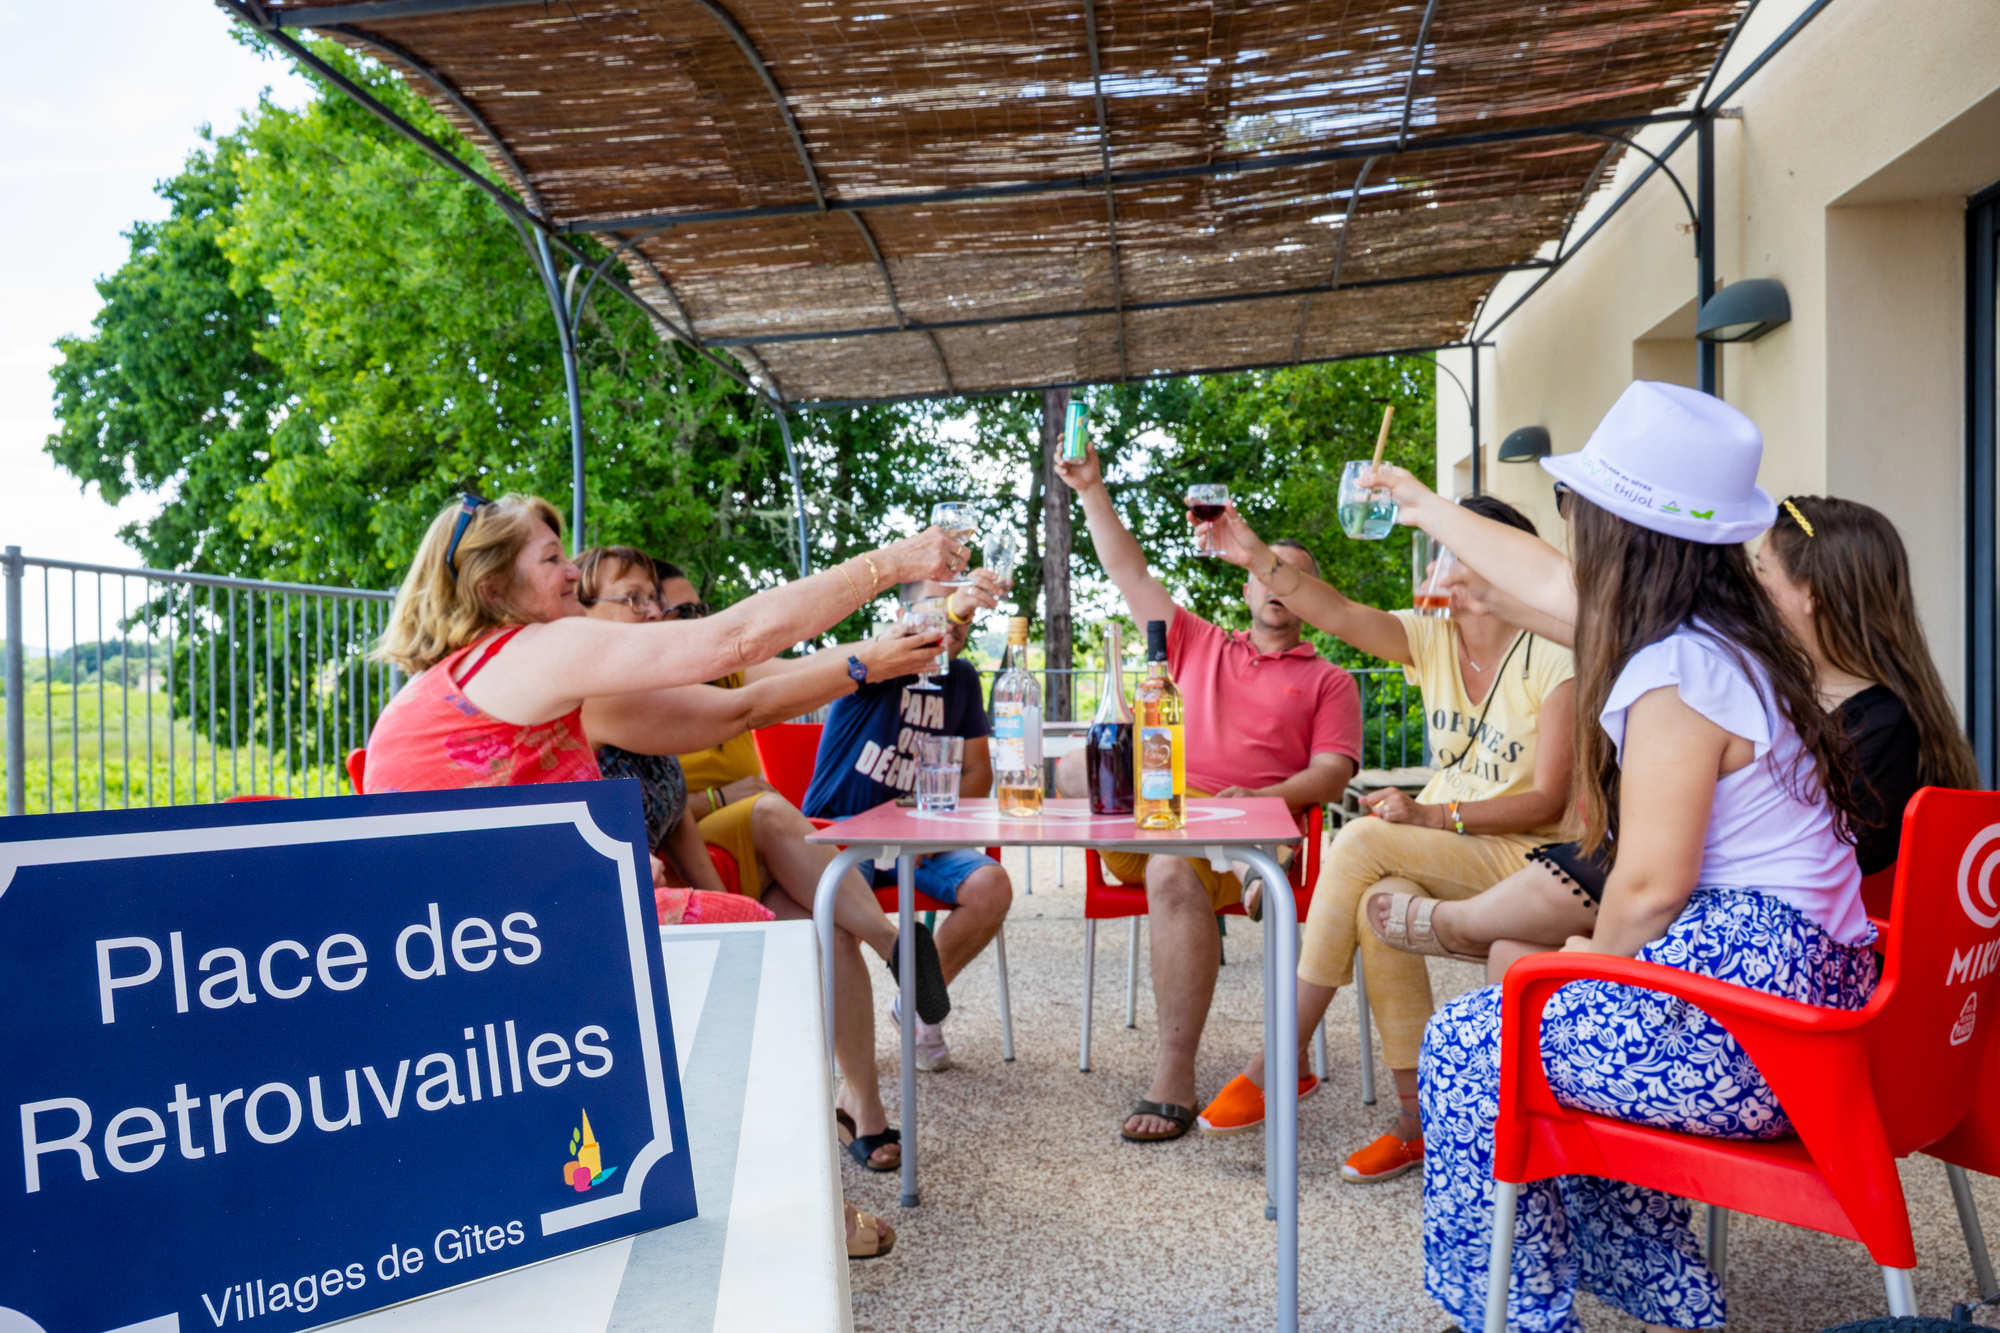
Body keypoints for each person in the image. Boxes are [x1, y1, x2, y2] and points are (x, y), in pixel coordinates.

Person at [1371, 381, 1878, 1333]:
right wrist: (1423, 503)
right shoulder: (1732, 643)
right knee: (1560, 1030)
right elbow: (1546, 582)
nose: (1572, 531)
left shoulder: (1679, 670)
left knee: (1474, 1043)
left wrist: (1589, 967)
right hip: (1805, 1004)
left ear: (1622, 532)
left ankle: (1513, 1316)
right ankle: (1661, 1290)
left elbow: (1648, 886)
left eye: (1580, 508)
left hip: (1757, 1033)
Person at [365, 492, 965, 1262]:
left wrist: (866, 661)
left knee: (772, 923)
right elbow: (736, 639)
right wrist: (895, 561)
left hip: (462, 941)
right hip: (500, 943)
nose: (572, 574)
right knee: (758, 938)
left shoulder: (484, 672)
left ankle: (795, 1160)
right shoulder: (531, 650)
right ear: (493, 589)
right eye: (551, 560)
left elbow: (733, 708)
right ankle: (800, 1200)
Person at [1370, 493, 1979, 981]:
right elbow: (1592, 622)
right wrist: (1488, 595)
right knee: (1516, 951)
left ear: (1812, 595)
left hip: (1778, 943)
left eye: (1761, 570)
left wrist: (1608, 953)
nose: (1750, 586)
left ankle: (1458, 928)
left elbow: (1827, 859)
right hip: (1738, 924)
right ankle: (1472, 940)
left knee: (1501, 988)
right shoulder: (1772, 679)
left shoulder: (1876, 721)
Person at [1187, 497, 1575, 1186]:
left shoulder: (1553, 655)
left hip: (1532, 855)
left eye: (1450, 550)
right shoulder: (1431, 637)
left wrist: (1435, 816)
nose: (1434, 568)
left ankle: (1280, 1056)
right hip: (1457, 845)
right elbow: (1335, 610)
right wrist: (1257, 558)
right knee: (1379, 903)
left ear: (1497, 563)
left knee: (1361, 843)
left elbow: (1549, 800)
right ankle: (1418, 1121)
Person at [573, 542, 950, 1173]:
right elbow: (745, 712)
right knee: (771, 811)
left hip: (711, 854)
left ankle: (861, 1107)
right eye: (638, 601)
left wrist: (886, 647)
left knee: (830, 925)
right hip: (637, 888)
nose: (664, 617)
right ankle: (894, 944)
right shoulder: (608, 694)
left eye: (669, 605)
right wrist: (867, 663)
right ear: (581, 609)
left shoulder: (677, 677)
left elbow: (793, 671)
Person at [1051, 444, 1361, 1143]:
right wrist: (1092, 489)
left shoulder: (1330, 681)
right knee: (1076, 768)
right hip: (1163, 816)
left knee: (1172, 866)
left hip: (1232, 833)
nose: (1275, 586)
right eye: (1264, 573)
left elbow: (1333, 773)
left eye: (1290, 577)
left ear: (1311, 600)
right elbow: (1128, 571)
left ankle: (1173, 1075)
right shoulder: (1196, 641)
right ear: (1245, 589)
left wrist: (1260, 798)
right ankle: (1255, 858)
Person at [802, 574, 1015, 1075]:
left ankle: (915, 1005)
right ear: (901, 620)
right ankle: (844, 1057)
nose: (952, 625)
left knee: (991, 886)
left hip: (920, 835)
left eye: (961, 616)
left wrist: (928, 830)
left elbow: (978, 773)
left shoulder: (962, 678)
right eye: (939, 610)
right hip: (844, 832)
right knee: (836, 916)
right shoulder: (874, 664)